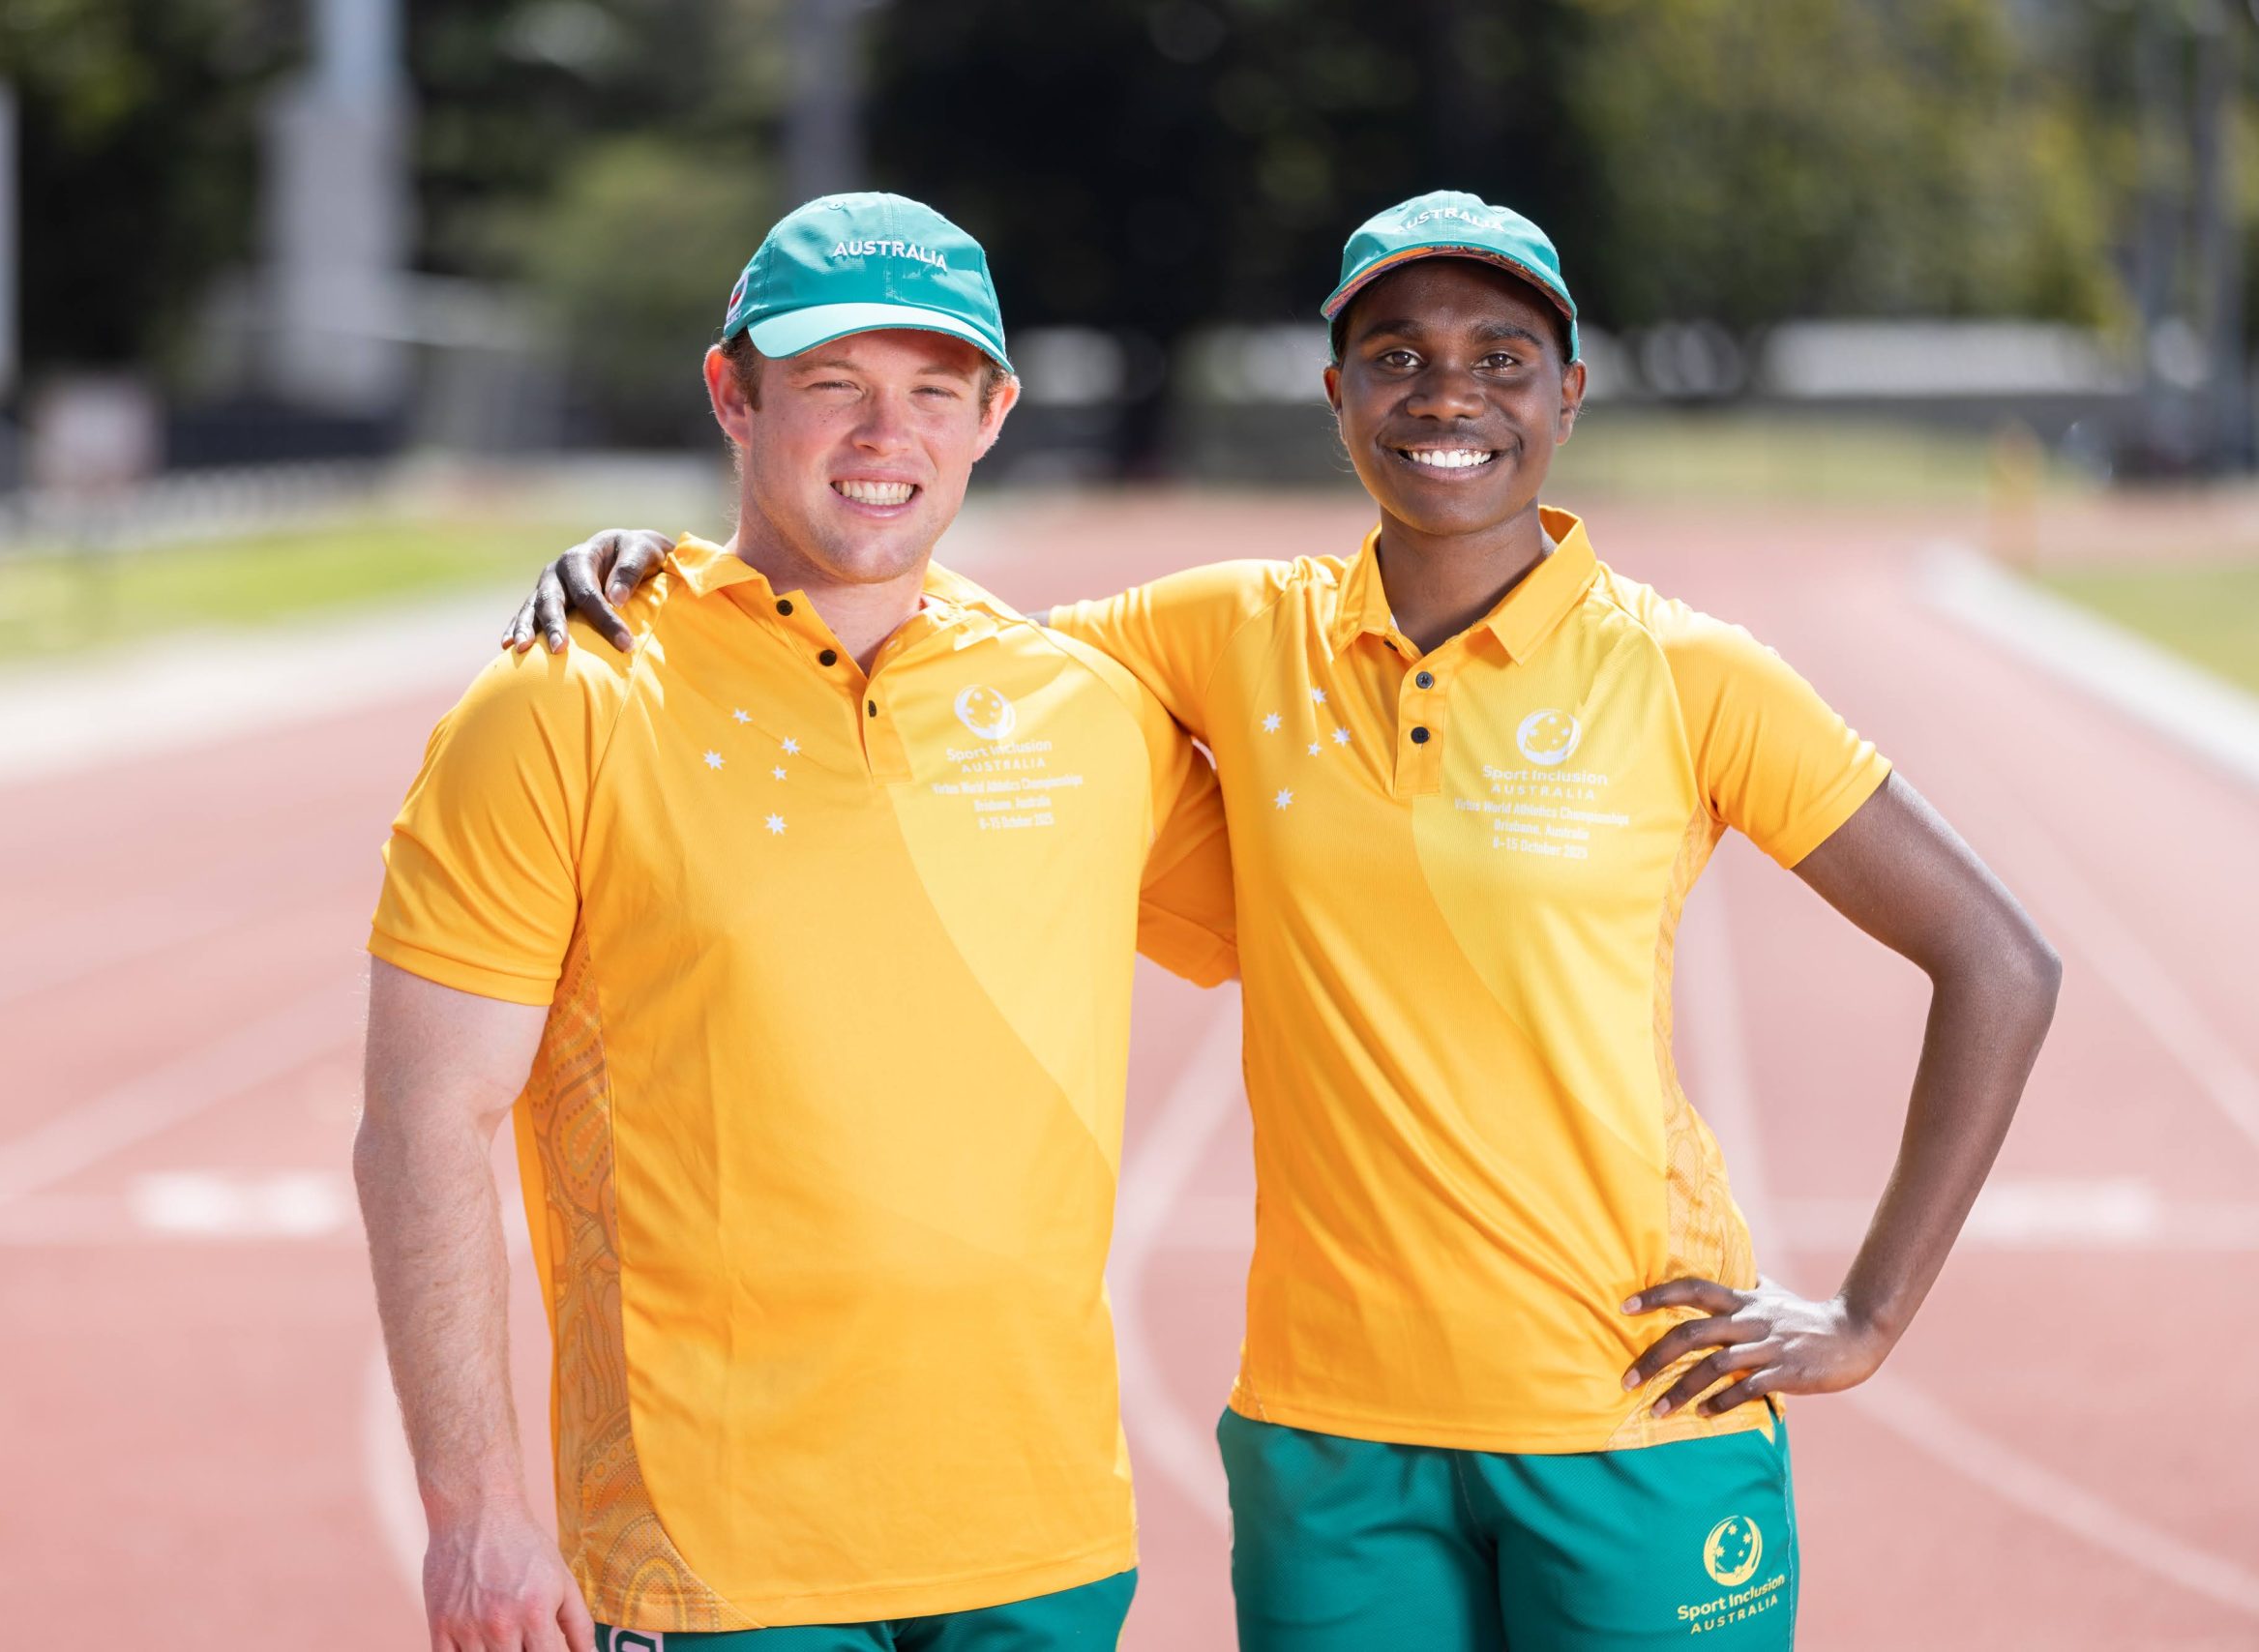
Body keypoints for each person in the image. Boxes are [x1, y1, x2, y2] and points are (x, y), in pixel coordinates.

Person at [507, 191, 2062, 1650]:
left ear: (1568, 397)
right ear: (1337, 398)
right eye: (1398, 359)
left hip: (1628, 1410)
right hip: (1330, 1438)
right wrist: (673, 579)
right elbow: (907, 627)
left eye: (1500, 360)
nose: (1447, 396)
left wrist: (1866, 1315)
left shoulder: (1694, 677)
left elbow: (1998, 959)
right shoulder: (1220, 633)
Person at [357, 192, 1237, 1652]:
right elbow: (424, 1119)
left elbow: (1355, 920)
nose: (885, 438)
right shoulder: (564, 700)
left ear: (995, 413)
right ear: (733, 395)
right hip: (715, 1566)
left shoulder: (1087, 711)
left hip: (1045, 1544)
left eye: (932, 393)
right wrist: (472, 1515)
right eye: (832, 387)